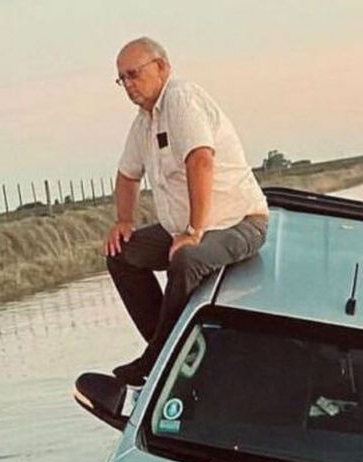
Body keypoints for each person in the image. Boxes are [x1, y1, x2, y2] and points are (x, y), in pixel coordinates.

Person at [102, 37, 269, 386]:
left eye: (134, 74)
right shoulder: (145, 121)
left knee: (187, 260)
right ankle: (166, 350)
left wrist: (194, 230)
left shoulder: (181, 99)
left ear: (161, 67)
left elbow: (200, 160)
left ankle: (158, 359)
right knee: (121, 254)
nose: (128, 85)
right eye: (122, 79)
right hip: (181, 227)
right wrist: (123, 220)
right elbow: (127, 174)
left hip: (238, 223)